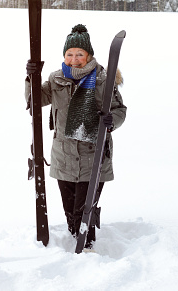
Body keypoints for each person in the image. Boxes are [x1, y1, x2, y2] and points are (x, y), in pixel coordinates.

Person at [25, 24, 126, 250]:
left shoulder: (103, 79)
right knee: (71, 212)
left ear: (88, 55)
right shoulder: (56, 79)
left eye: (80, 54)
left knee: (84, 211)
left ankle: (87, 248)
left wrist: (111, 121)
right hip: (63, 156)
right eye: (69, 54)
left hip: (93, 156)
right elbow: (34, 101)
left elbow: (120, 110)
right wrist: (31, 76)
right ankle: (75, 242)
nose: (74, 59)